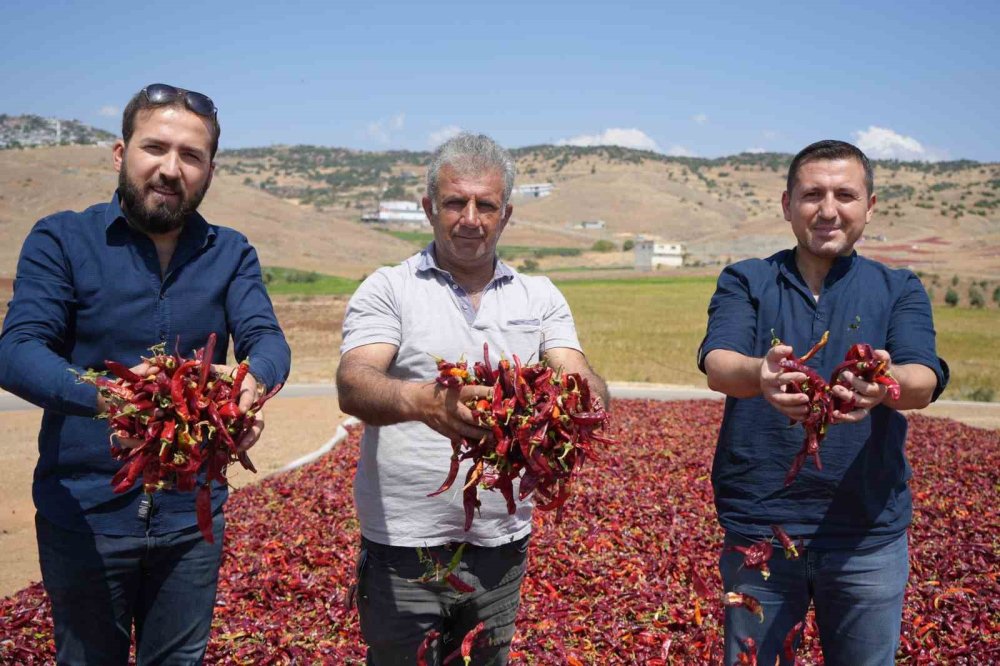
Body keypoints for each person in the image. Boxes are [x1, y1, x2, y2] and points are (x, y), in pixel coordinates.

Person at [0, 83, 291, 664]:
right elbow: (17, 350)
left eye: (191, 156)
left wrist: (249, 385)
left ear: (209, 170)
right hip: (85, 514)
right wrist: (112, 397)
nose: (170, 168)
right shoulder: (61, 239)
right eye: (154, 147)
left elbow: (266, 339)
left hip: (192, 518)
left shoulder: (230, 253)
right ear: (120, 153)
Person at [337, 133, 608, 665]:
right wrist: (428, 403)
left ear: (506, 214)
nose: (470, 218)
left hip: (500, 544)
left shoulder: (540, 296)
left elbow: (579, 377)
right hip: (402, 543)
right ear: (428, 209)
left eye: (486, 205)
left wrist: (583, 401)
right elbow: (354, 381)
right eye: (455, 202)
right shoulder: (390, 288)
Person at [697, 139, 948, 665]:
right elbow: (720, 363)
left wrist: (885, 384)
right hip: (759, 528)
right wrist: (759, 375)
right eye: (812, 194)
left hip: (866, 538)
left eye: (845, 194)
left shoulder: (897, 287)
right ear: (787, 204)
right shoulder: (748, 279)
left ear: (870, 206)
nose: (828, 209)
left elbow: (923, 376)